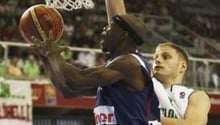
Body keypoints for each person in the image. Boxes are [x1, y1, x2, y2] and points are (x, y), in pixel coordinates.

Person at [30, 0, 161, 125]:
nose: (104, 30)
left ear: (123, 34)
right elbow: (67, 90)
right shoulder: (115, 73)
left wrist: (52, 53)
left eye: (109, 27)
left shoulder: (129, 63)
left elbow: (75, 79)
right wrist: (45, 58)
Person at [152, 42, 210, 125]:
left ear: (183, 66)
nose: (157, 60)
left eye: (165, 57)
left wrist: (148, 117)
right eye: (155, 58)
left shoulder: (196, 96)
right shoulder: (142, 88)